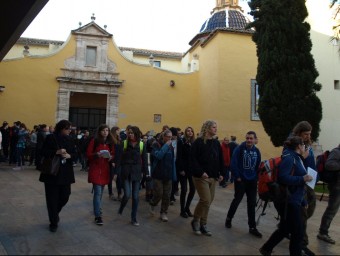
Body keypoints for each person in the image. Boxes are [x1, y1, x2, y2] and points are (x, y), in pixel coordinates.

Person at [259, 136, 313, 256]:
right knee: (297, 233)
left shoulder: (296, 157)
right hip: (290, 201)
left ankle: (266, 248)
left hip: (294, 199)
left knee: (285, 228)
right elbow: (283, 177)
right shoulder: (290, 158)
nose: (305, 147)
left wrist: (303, 201)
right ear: (299, 146)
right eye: (303, 145)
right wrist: (302, 178)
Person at [39, 120, 76, 232]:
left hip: (66, 172)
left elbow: (75, 153)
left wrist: (70, 155)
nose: (69, 130)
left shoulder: (70, 139)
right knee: (51, 199)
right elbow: (43, 151)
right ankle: (53, 222)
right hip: (52, 173)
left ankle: (55, 213)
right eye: (67, 128)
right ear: (61, 128)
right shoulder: (51, 138)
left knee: (65, 196)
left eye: (70, 128)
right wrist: (56, 151)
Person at [225, 131, 262, 238]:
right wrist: (237, 176)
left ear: (255, 139)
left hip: (252, 181)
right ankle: (228, 219)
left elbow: (258, 165)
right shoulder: (239, 148)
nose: (249, 140)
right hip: (241, 180)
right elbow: (233, 163)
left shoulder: (257, 151)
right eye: (247, 138)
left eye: (251, 138)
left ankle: (252, 227)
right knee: (237, 200)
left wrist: (256, 177)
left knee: (251, 204)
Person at [190, 120, 224, 236]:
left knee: (208, 202)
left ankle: (203, 224)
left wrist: (221, 173)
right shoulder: (198, 142)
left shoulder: (216, 143)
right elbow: (193, 160)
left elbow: (219, 159)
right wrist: (200, 172)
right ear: (207, 128)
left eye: (216, 127)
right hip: (201, 177)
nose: (216, 129)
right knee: (205, 200)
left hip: (213, 177)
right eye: (214, 127)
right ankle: (195, 221)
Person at [292, 121, 317, 255]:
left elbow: (311, 162)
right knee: (303, 214)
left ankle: (290, 226)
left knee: (310, 210)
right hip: (301, 183)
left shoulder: (308, 145)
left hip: (311, 182)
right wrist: (302, 155)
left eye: (309, 134)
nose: (308, 136)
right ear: (299, 133)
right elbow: (292, 163)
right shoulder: (293, 144)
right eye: (306, 134)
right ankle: (302, 243)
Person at [118, 126, 147, 226]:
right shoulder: (124, 143)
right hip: (126, 172)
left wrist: (146, 173)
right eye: (129, 133)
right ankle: (122, 207)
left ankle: (133, 218)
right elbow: (119, 159)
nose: (130, 134)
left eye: (132, 133)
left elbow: (145, 160)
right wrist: (117, 172)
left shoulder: (142, 144)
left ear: (136, 133)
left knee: (135, 197)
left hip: (137, 172)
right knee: (127, 194)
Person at [87, 124, 115, 225]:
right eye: (103, 130)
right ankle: (98, 216)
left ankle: (98, 208)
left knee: (101, 192)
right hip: (95, 169)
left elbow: (113, 154)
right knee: (98, 192)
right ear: (100, 132)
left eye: (107, 130)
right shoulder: (94, 141)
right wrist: (96, 155)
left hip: (105, 170)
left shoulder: (110, 143)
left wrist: (111, 157)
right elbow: (88, 154)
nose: (105, 132)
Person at [149, 129, 176, 222]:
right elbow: (158, 156)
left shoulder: (171, 147)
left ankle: (163, 212)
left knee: (167, 195)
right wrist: (165, 146)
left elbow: (172, 161)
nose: (170, 139)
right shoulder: (156, 145)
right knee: (159, 194)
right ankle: (153, 203)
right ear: (163, 136)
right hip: (158, 174)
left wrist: (173, 174)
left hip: (168, 174)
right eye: (168, 137)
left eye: (171, 137)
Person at [317, 143, 340, 244]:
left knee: (333, 209)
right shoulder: (336, 152)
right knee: (332, 209)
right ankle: (323, 232)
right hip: (336, 185)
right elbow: (329, 165)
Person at [177, 126, 196, 218]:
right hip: (183, 170)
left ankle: (187, 208)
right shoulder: (181, 142)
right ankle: (182, 210)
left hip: (191, 170)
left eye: (191, 131)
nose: (190, 132)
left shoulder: (194, 143)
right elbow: (179, 156)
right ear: (185, 132)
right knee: (184, 190)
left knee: (193, 189)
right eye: (188, 131)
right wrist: (181, 169)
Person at [108, 126, 123, 201]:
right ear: (114, 131)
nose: (119, 132)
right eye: (117, 130)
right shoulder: (111, 140)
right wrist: (112, 161)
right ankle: (110, 193)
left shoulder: (119, 140)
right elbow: (110, 152)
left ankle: (119, 194)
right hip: (113, 162)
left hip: (119, 161)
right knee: (110, 178)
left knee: (119, 179)